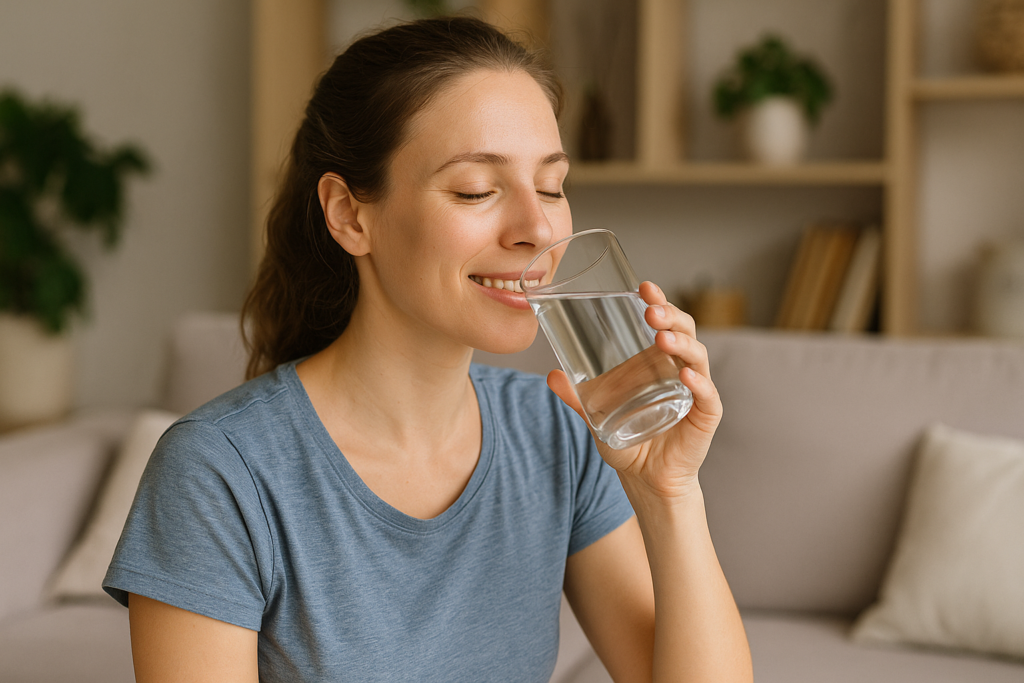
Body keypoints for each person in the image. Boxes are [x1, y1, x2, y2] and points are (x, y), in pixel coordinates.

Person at [103, 16, 752, 683]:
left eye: (553, 186)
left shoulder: (559, 433)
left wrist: (669, 492)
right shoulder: (219, 471)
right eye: (477, 189)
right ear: (351, 214)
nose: (537, 227)